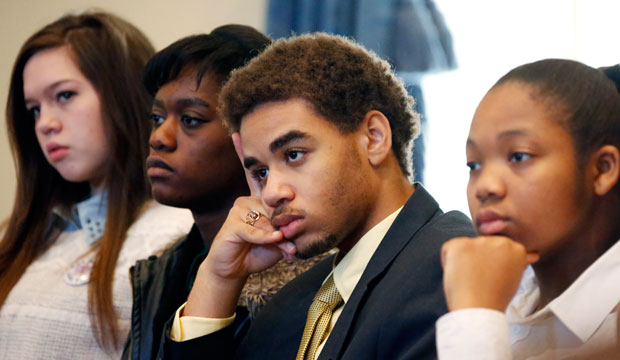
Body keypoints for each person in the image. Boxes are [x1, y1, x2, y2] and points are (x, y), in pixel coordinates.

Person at [161, 33, 475, 359]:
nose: (272, 193)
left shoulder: (452, 269)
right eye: (261, 172)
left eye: (294, 154)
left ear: (374, 138)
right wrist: (218, 278)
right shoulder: (292, 305)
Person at [122, 25, 332, 360]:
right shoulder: (158, 271)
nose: (159, 137)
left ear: (252, 134)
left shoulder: (319, 280)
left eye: (190, 119)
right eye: (156, 117)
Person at [0, 11, 193, 359]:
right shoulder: (29, 236)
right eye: (33, 110)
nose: (45, 124)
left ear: (124, 94)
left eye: (64, 96)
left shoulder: (178, 235)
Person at [437, 59, 620, 359]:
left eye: (519, 156)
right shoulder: (491, 291)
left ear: (601, 169)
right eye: (474, 164)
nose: (485, 186)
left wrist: (475, 316)